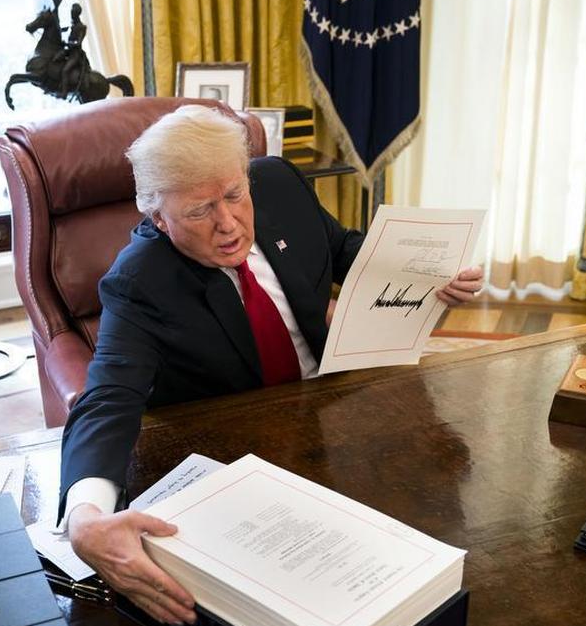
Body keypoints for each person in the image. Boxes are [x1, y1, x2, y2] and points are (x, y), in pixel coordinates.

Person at [60, 105, 483, 624]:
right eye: (199, 211)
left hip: (331, 416)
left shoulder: (277, 182)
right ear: (158, 218)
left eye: (235, 195)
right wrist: (86, 516)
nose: (228, 223)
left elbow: (340, 248)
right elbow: (108, 398)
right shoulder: (139, 281)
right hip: (239, 460)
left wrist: (431, 276)